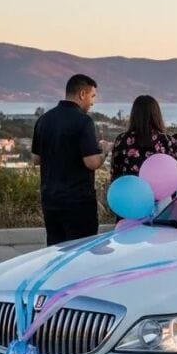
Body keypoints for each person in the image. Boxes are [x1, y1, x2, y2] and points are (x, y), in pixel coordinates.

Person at [31, 74, 112, 246]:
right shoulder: (83, 122)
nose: (93, 102)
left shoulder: (44, 120)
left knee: (55, 250)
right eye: (92, 96)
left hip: (50, 199)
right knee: (80, 252)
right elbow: (91, 163)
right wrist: (104, 151)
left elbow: (35, 159)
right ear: (82, 94)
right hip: (78, 202)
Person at [110, 95, 177, 181]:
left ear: (134, 115)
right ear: (156, 115)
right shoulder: (167, 141)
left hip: (128, 191)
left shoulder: (122, 139)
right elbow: (174, 173)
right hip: (159, 193)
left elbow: (115, 171)